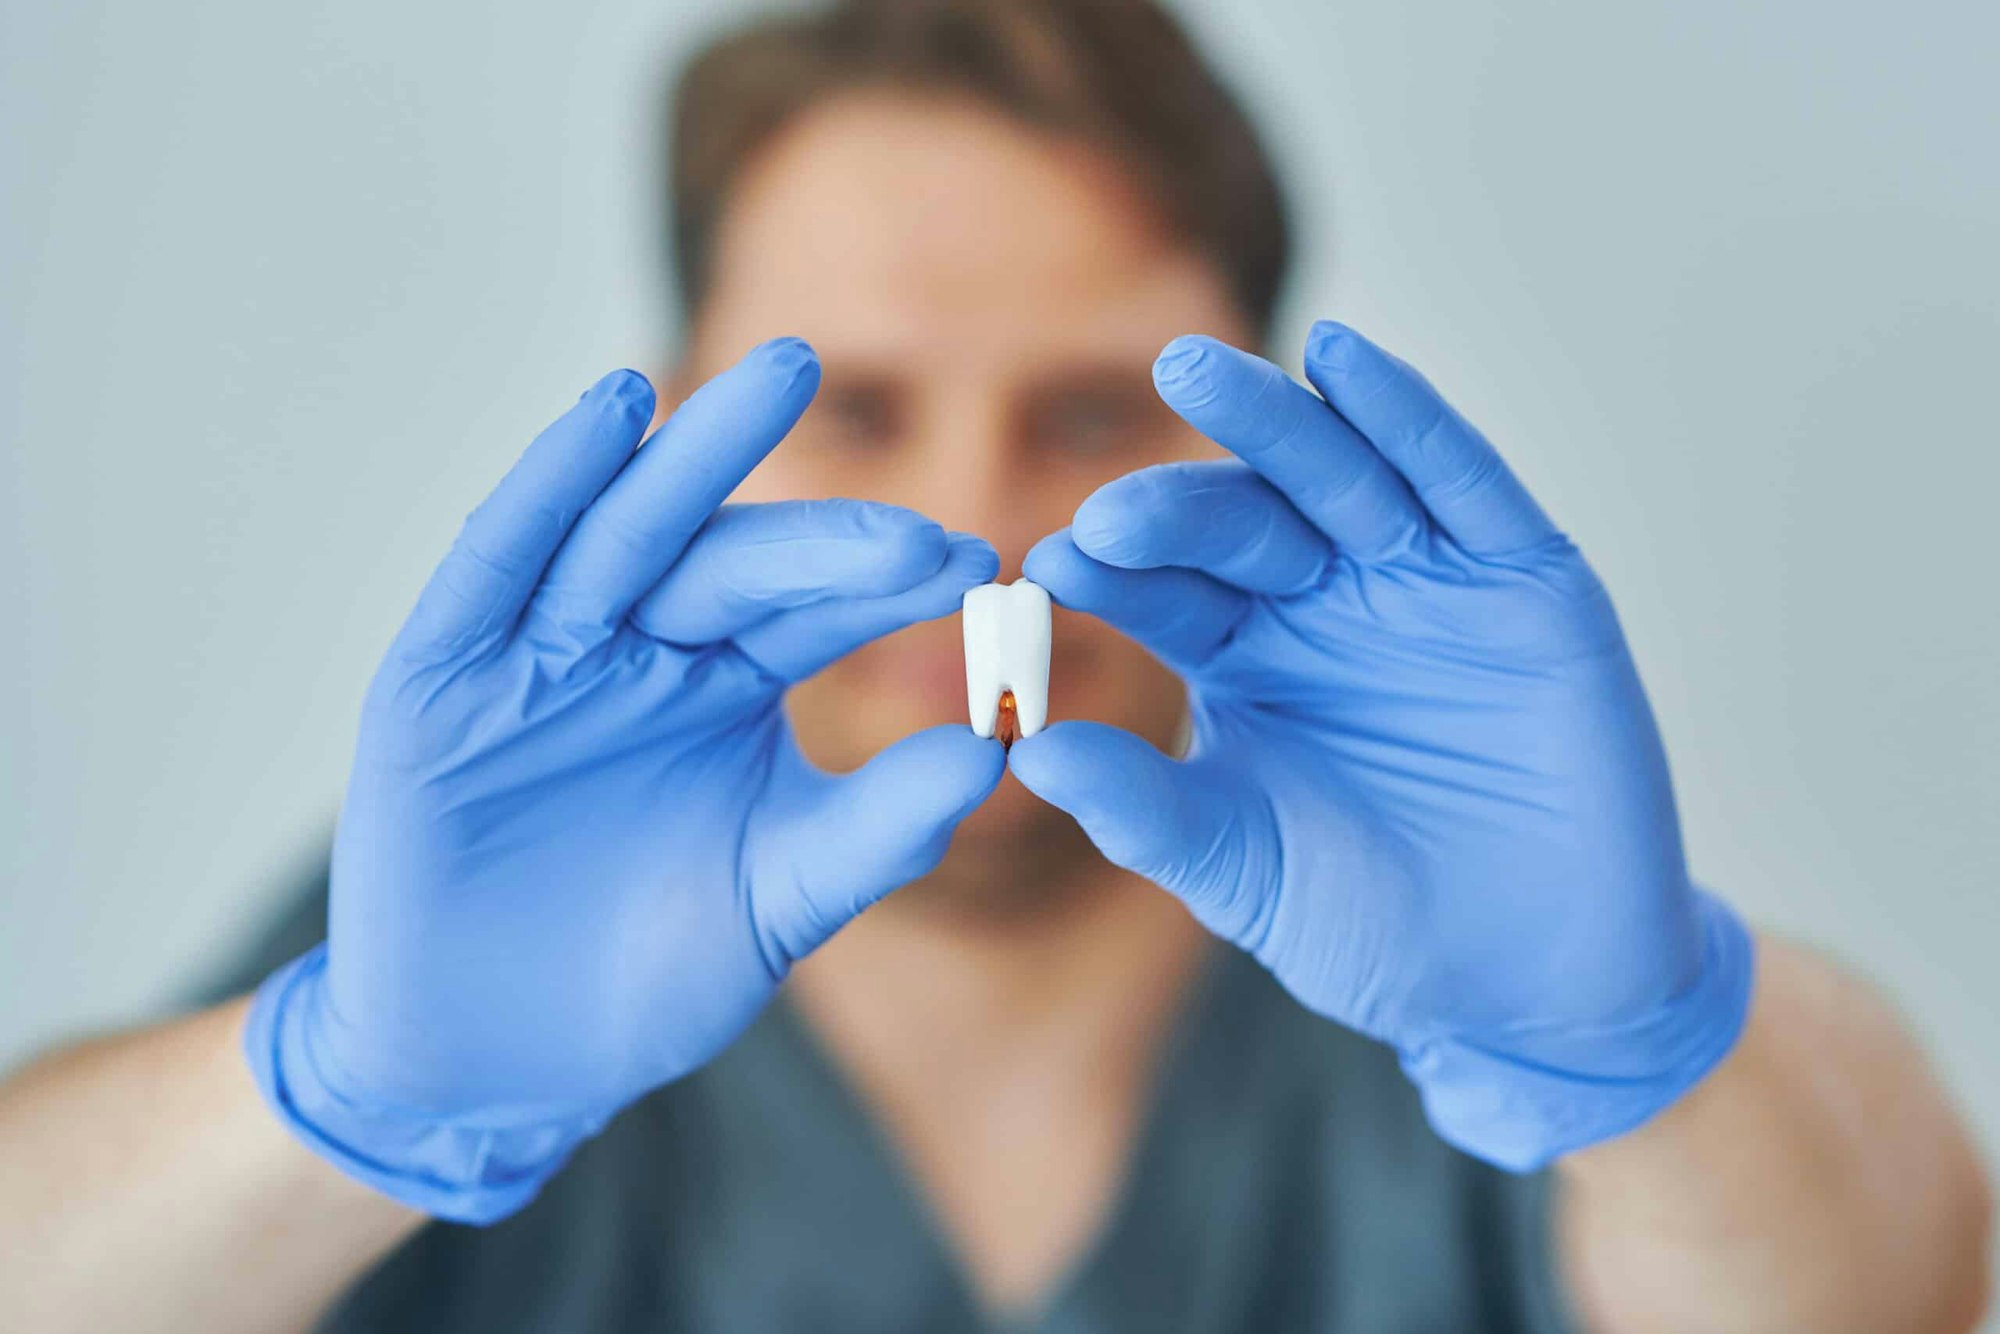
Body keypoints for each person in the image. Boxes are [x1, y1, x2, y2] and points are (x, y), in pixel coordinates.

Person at [0, 1, 1990, 1330]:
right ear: (697, 412)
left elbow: (1900, 1282)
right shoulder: (493, 918)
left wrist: (1638, 1056)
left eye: (1094, 409)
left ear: (1247, 425)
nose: (983, 533)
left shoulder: (1446, 913)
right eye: (858, 407)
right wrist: (346, 1096)